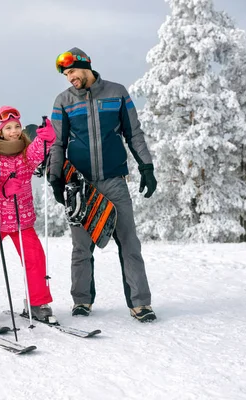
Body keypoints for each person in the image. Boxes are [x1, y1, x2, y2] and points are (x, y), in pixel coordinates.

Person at [47, 47, 158, 322]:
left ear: (86, 66)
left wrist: (146, 166)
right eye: (66, 74)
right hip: (79, 185)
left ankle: (140, 303)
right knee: (81, 248)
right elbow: (58, 142)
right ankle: (82, 301)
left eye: (72, 71)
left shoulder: (117, 93)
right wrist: (55, 178)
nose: (69, 77)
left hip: (114, 181)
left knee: (129, 243)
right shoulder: (63, 101)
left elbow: (134, 133)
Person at [0, 106, 57, 324]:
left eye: (17, 126)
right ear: (0, 131)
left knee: (35, 258)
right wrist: (2, 189)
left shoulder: (26, 152)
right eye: (8, 127)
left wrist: (46, 139)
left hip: (22, 220)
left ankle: (37, 301)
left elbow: (38, 154)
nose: (14, 131)